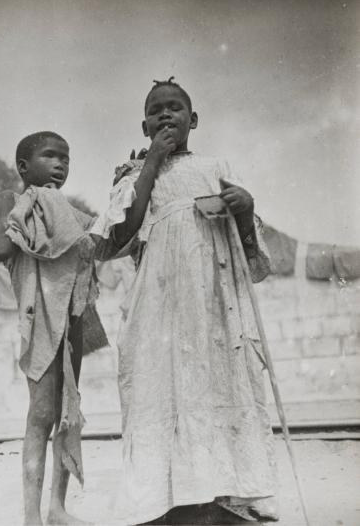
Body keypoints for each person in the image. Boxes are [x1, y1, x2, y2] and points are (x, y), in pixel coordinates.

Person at [91, 78, 278, 524]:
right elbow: (118, 235)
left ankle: (227, 494)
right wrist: (152, 162)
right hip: (160, 302)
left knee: (219, 384)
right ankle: (164, 501)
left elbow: (251, 253)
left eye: (175, 108)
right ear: (144, 126)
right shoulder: (135, 175)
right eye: (156, 110)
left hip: (214, 302)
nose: (166, 115)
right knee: (160, 387)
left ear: (193, 120)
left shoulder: (216, 166)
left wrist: (246, 209)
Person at [0, 131, 107, 526]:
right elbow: (3, 251)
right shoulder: (14, 200)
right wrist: (10, 204)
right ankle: (31, 516)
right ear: (24, 166)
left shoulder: (70, 213)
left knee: (67, 414)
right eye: (51, 156)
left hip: (71, 322)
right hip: (39, 320)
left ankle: (57, 508)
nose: (61, 164)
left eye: (66, 158)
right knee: (41, 414)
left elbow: (99, 243)